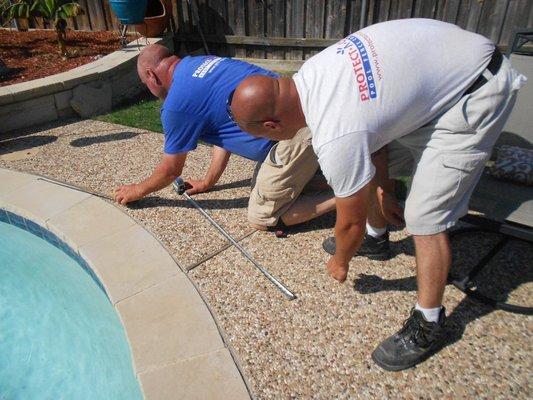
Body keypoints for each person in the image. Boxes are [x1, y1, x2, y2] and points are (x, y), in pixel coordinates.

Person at [229, 18, 527, 370]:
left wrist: (341, 259)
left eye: (264, 138)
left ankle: (428, 323)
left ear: (272, 125)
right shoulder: (313, 72)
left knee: (424, 217)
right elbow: (372, 137)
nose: (270, 143)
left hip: (475, 91)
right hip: (456, 64)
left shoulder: (334, 132)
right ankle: (379, 237)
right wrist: (384, 189)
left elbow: (348, 222)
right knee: (365, 169)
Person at [113, 44, 335, 230]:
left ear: (151, 76)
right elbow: (222, 127)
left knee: (262, 216)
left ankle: (353, 193)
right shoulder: (200, 63)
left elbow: (171, 170)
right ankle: (335, 176)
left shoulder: (176, 106)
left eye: (146, 83)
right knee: (264, 185)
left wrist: (137, 190)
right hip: (309, 111)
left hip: (293, 133)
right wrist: (208, 181)